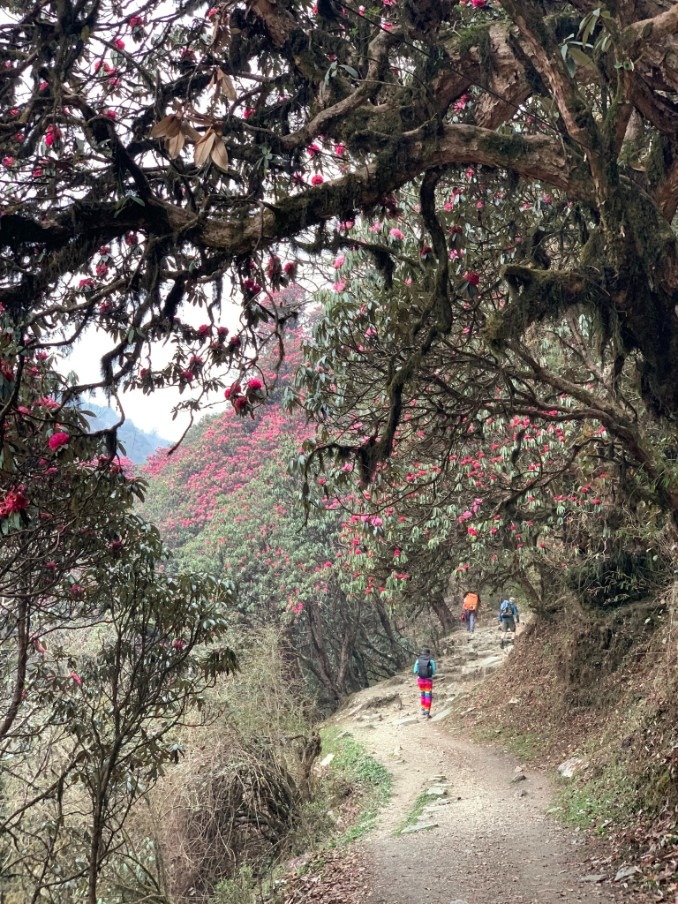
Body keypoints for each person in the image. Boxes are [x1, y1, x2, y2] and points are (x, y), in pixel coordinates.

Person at [413, 647, 436, 718]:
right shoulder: (431, 661)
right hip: (428, 680)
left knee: (423, 694)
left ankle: (423, 709)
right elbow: (434, 672)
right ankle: (427, 712)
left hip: (420, 680)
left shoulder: (418, 661)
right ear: (428, 654)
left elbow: (415, 671)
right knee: (428, 695)